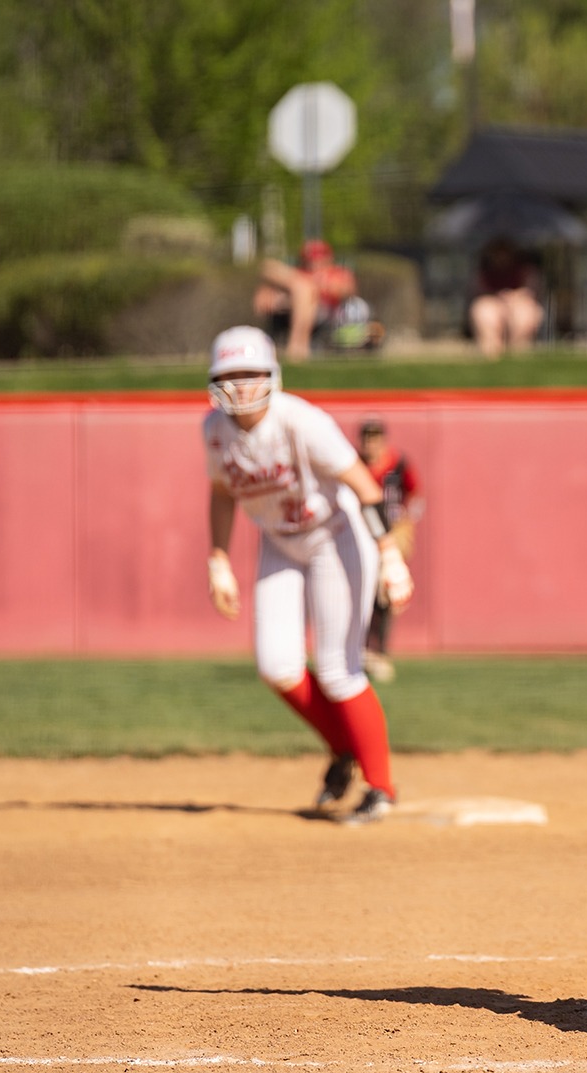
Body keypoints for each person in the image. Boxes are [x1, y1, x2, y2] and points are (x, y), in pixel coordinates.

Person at [202, 325, 415, 824]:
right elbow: (221, 491)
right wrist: (217, 558)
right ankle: (344, 751)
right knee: (277, 666)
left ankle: (381, 787)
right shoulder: (213, 430)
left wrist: (389, 554)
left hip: (336, 535)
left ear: (273, 374)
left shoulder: (300, 421)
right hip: (279, 541)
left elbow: (363, 485)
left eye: (250, 373)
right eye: (229, 376)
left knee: (340, 669)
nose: (240, 386)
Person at [357, 416, 423, 683]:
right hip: (361, 534)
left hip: (390, 534)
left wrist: (408, 522)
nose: (371, 444)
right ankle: (360, 651)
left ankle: (379, 653)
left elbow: (415, 495)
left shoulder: (399, 464)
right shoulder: (355, 465)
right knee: (361, 593)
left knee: (384, 595)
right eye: (367, 439)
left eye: (375, 438)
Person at [254, 239, 358, 360]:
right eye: (311, 259)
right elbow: (267, 269)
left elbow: (346, 290)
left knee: (304, 290)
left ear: (328, 258)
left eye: (319, 258)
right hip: (291, 308)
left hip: (327, 313)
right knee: (301, 288)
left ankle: (296, 349)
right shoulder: (299, 274)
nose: (315, 263)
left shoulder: (338, 273)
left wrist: (314, 284)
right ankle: (298, 349)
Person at [468, 239, 545, 356]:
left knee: (524, 314)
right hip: (493, 303)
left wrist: (512, 296)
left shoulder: (526, 270)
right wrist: (498, 296)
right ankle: (491, 352)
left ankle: (518, 353)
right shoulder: (484, 272)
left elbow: (532, 289)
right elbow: (478, 290)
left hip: (519, 303)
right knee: (483, 311)